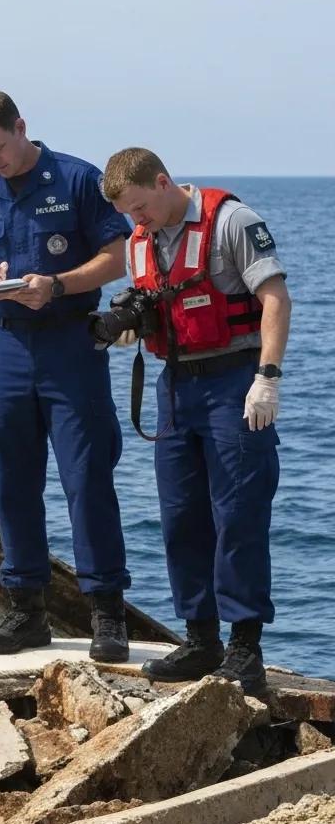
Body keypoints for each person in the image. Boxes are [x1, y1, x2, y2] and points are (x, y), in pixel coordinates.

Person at [0, 90, 133, 662]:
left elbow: (117, 257)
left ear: (21, 127)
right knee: (10, 475)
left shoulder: (78, 179)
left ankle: (107, 612)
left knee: (87, 475)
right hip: (6, 344)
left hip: (69, 341)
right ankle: (27, 609)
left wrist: (57, 285)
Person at [102, 147, 290, 695]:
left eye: (140, 207)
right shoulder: (142, 239)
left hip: (235, 382)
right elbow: (155, 302)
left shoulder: (232, 221)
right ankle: (201, 638)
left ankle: (245, 648)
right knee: (181, 516)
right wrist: (132, 326)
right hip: (176, 386)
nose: (136, 220)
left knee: (238, 514)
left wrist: (268, 378)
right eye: (127, 214)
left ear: (163, 182)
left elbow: (276, 299)